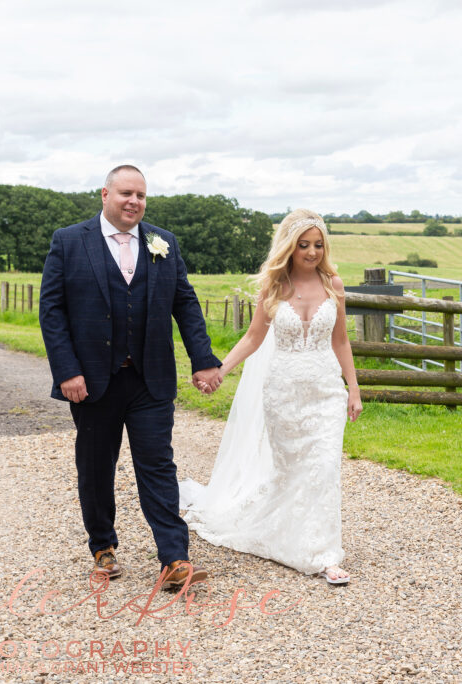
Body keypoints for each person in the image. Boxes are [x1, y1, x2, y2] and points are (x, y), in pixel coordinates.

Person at [39, 164, 223, 588]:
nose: (134, 202)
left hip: (150, 379)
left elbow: (186, 303)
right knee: (96, 466)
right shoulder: (69, 241)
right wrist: (67, 371)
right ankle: (102, 547)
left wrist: (203, 358)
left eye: (140, 195)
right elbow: (52, 313)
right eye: (125, 193)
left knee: (158, 465)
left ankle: (174, 559)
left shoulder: (164, 243)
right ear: (104, 194)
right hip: (92, 382)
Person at [180, 208, 362, 585]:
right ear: (289, 247)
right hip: (283, 393)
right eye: (303, 245)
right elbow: (253, 338)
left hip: (326, 390)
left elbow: (341, 340)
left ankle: (324, 554)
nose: (311, 252)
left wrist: (353, 390)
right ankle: (285, 533)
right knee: (293, 471)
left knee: (325, 469)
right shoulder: (274, 288)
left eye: (318, 244)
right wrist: (220, 370)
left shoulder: (334, 285)